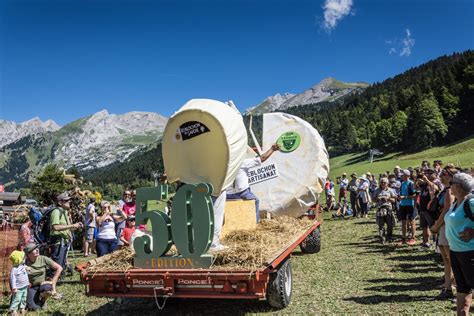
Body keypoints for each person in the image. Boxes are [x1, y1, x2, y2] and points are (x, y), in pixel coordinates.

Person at [444, 173, 474, 315]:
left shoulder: (471, 203)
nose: (450, 185)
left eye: (452, 182)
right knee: (462, 288)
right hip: (456, 252)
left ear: (458, 186)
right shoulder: (457, 202)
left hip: (470, 253)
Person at [226, 144, 280, 222]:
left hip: (227, 194)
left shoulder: (224, 165)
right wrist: (272, 149)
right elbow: (262, 158)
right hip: (242, 192)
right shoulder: (243, 163)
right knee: (255, 201)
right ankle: (255, 222)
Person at [431, 164, 458, 299]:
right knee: (446, 259)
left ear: (450, 177)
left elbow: (447, 210)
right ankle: (448, 286)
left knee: (451, 259)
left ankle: (453, 287)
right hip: (443, 226)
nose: (440, 177)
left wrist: (437, 225)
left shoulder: (449, 192)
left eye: (443, 175)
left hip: (446, 226)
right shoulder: (446, 190)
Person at [49, 192, 83, 272]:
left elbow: (65, 227)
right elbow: (55, 227)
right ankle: (54, 279)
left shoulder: (64, 212)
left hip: (63, 241)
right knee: (57, 264)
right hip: (57, 242)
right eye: (66, 201)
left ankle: (59, 277)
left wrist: (74, 227)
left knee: (62, 263)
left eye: (69, 200)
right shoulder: (56, 212)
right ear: (60, 203)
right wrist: (72, 226)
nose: (69, 202)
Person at [24, 242, 62, 311]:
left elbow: (59, 268)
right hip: (32, 287)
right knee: (32, 308)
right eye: (34, 249)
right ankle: (38, 302)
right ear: (28, 254)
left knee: (47, 288)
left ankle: (44, 300)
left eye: (37, 248)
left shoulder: (43, 258)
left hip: (43, 285)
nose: (37, 250)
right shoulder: (25, 262)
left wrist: (53, 282)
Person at [374, 178, 397, 243]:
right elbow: (373, 199)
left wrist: (388, 198)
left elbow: (394, 200)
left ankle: (389, 237)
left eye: (384, 182)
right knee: (381, 225)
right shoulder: (377, 190)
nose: (383, 183)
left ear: (387, 183)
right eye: (381, 182)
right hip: (380, 209)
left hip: (388, 209)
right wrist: (378, 199)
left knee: (390, 224)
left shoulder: (390, 190)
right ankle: (382, 238)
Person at [399, 169, 417, 245]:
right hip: (402, 205)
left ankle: (413, 237)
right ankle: (403, 238)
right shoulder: (402, 183)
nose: (401, 176)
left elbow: (414, 195)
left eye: (402, 175)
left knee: (412, 221)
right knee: (403, 222)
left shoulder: (411, 183)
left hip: (410, 205)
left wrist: (404, 197)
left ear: (407, 175)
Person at [9, 250, 29, 316]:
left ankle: (22, 308)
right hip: (18, 288)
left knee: (24, 298)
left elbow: (25, 268)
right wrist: (14, 288)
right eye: (23, 258)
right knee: (16, 299)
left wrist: (28, 268)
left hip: (25, 286)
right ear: (18, 260)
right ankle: (13, 311)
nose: (25, 259)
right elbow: (13, 279)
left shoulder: (23, 265)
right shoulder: (14, 270)